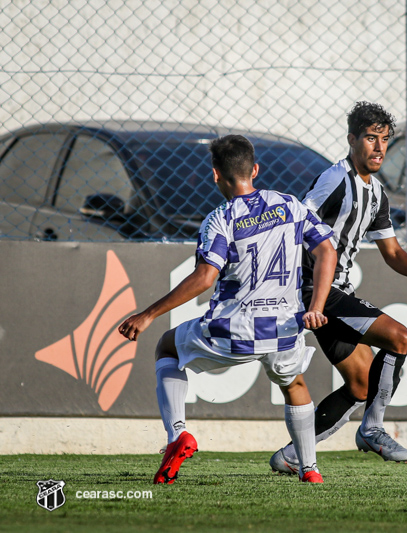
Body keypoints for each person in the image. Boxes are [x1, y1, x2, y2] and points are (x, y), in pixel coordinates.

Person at [118, 134, 337, 484]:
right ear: (255, 169)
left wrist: (147, 314)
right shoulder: (291, 205)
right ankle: (310, 469)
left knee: (167, 345)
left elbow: (205, 277)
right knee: (294, 384)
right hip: (284, 327)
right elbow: (327, 251)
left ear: (216, 175)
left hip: (234, 329)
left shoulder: (221, 218)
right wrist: (317, 306)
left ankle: (177, 436)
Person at [270, 101, 407, 474]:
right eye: (371, 138)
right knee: (399, 337)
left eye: (385, 140)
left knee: (359, 385)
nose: (379, 148)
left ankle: (291, 456)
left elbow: (392, 253)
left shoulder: (377, 194)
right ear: (352, 140)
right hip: (315, 292)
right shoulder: (334, 179)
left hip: (331, 296)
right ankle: (371, 429)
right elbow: (296, 225)